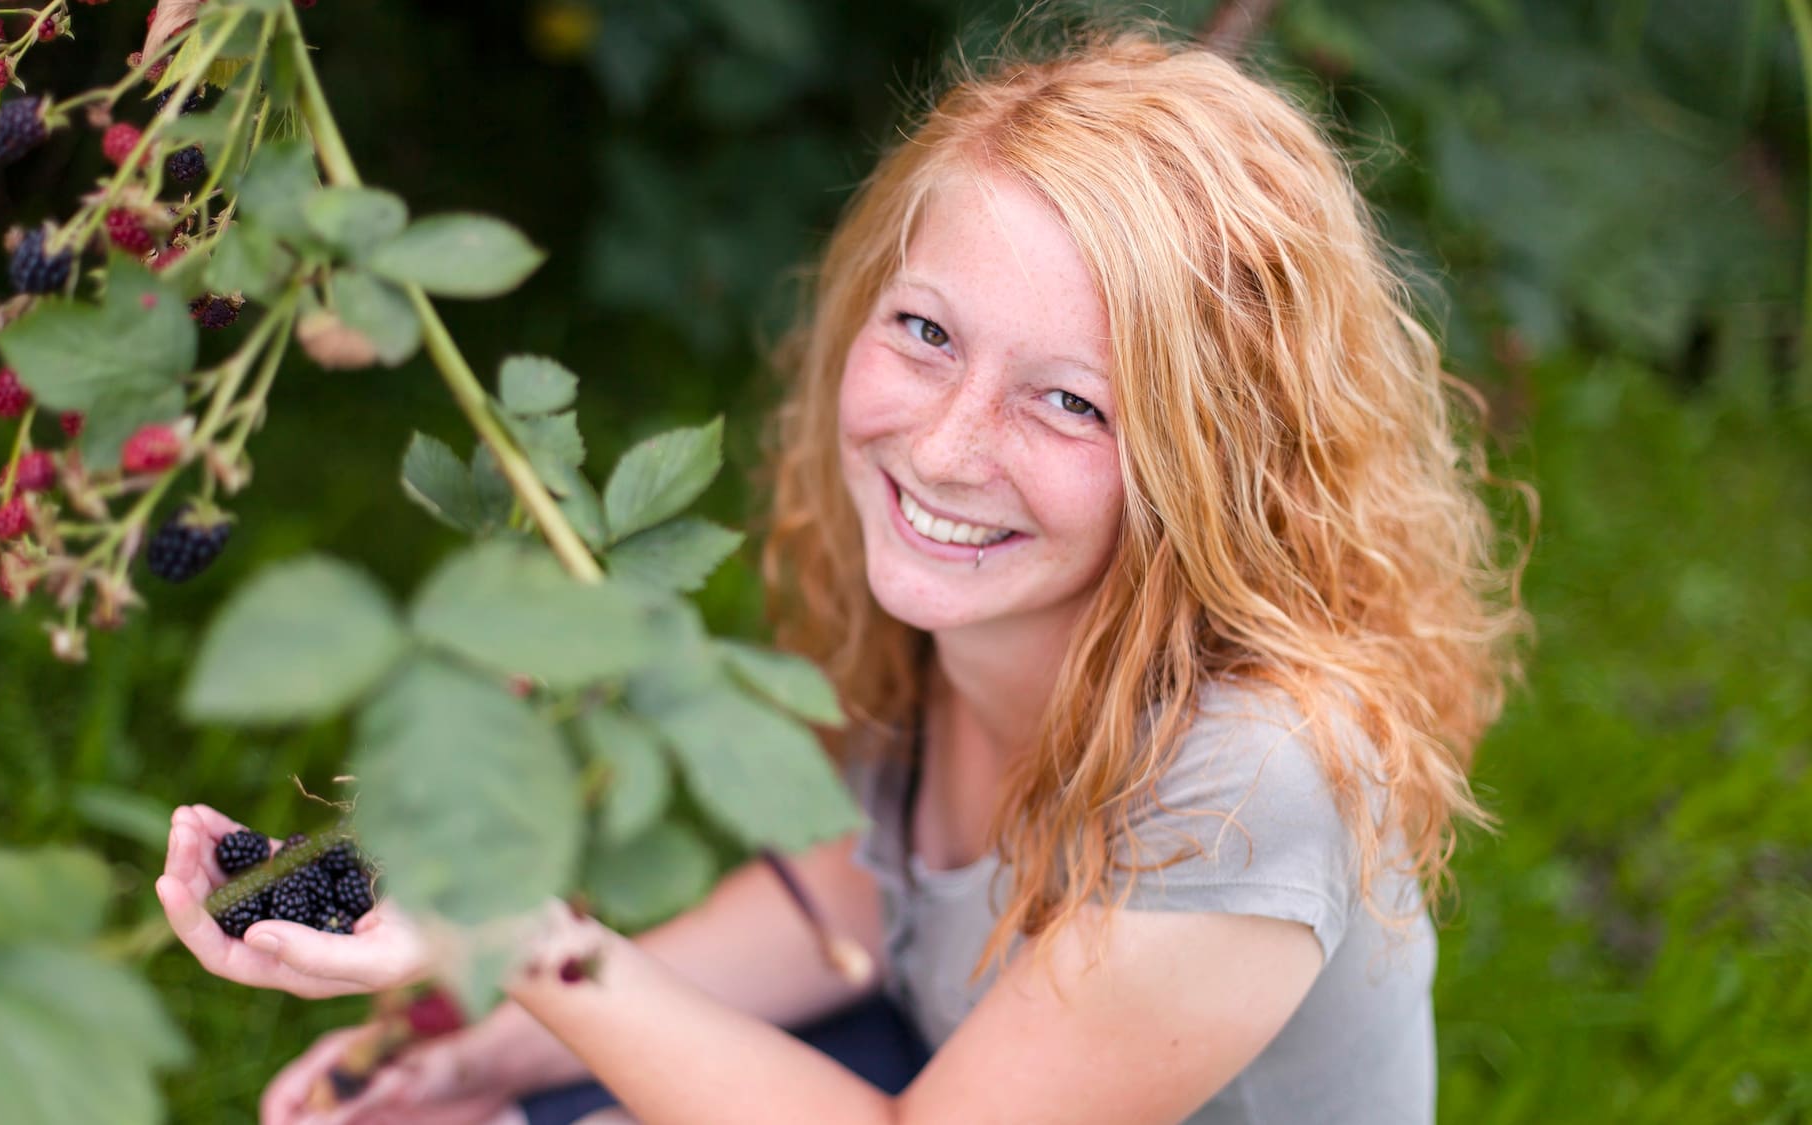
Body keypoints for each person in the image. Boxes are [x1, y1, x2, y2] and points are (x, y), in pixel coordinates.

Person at [157, 20, 1530, 1125]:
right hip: (940, 1048)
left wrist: (538, 950)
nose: (942, 445)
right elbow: (852, 901)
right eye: (927, 330)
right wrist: (495, 1051)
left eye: (1070, 403)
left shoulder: (1251, 778)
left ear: (1211, 465)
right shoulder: (966, 615)